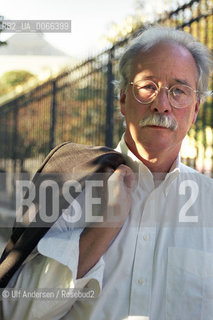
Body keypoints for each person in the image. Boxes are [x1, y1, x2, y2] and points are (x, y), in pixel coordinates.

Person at [1, 25, 213, 320]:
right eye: (148, 86)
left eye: (179, 91)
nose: (162, 104)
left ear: (196, 110)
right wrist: (102, 229)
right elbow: (15, 311)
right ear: (124, 100)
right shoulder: (67, 179)